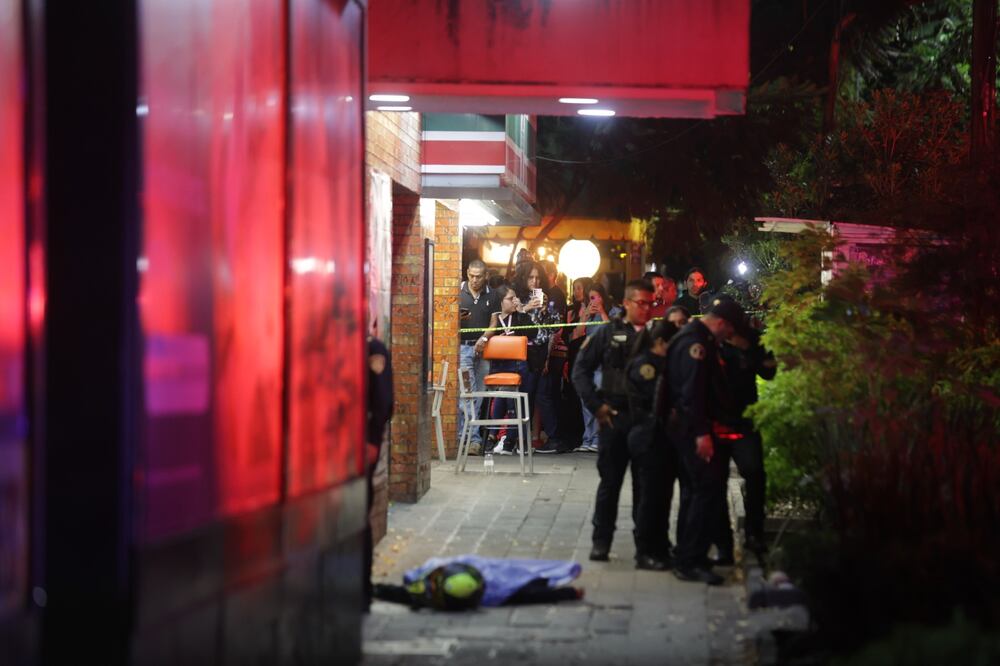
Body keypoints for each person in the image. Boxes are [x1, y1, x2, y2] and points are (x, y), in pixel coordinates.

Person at [572, 279, 668, 569]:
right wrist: (597, 407)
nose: (647, 309)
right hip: (614, 417)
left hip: (646, 421)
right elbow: (581, 371)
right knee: (610, 483)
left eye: (651, 304)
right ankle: (601, 542)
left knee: (646, 487)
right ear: (626, 303)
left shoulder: (658, 337)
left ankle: (645, 549)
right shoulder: (607, 333)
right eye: (641, 303)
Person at [662, 297, 743, 585]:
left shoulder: (699, 338)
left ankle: (691, 554)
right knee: (702, 494)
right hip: (693, 432)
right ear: (721, 323)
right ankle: (689, 559)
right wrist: (701, 434)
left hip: (691, 430)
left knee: (697, 494)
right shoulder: (696, 343)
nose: (728, 337)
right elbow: (692, 393)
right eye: (729, 331)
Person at [711, 296, 776, 560]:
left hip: (744, 420)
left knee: (755, 475)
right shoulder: (710, 340)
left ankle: (754, 534)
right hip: (715, 419)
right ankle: (722, 543)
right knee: (714, 484)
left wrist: (747, 349)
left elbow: (769, 371)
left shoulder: (753, 338)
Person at [624, 320, 681, 569]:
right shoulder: (645, 365)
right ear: (660, 343)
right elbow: (652, 401)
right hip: (647, 436)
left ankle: (660, 546)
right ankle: (645, 551)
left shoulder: (661, 363)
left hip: (662, 437)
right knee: (650, 497)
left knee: (663, 496)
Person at [511, 260, 564, 453]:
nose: (534, 281)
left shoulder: (545, 296)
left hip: (541, 350)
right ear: (523, 278)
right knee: (526, 395)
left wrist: (546, 311)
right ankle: (517, 440)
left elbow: (555, 326)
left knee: (543, 395)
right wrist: (525, 309)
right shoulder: (515, 297)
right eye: (531, 277)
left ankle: (554, 439)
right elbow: (511, 324)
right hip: (523, 352)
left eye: (537, 277)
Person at [571, 284, 620, 453]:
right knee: (586, 401)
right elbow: (577, 333)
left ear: (603, 297)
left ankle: (600, 438)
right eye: (589, 298)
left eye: (595, 297)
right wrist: (585, 315)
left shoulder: (614, 312)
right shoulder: (588, 313)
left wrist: (602, 312)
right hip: (589, 363)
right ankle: (588, 438)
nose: (592, 301)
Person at [364, 335, 394, 611]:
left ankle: (361, 589)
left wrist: (372, 441)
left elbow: (384, 403)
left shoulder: (373, 350)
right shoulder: (372, 349)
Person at [479, 285, 528, 453]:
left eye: (515, 297)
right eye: (510, 298)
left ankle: (507, 440)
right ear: (501, 302)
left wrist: (522, 311)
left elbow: (532, 333)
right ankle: (492, 436)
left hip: (515, 365)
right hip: (497, 365)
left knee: (509, 398)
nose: (514, 301)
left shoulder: (518, 316)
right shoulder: (494, 317)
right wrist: (489, 339)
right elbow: (489, 332)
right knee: (498, 398)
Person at [458, 259, 494, 455]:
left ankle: (465, 436)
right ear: (467, 273)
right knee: (467, 393)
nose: (474, 280)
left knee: (478, 394)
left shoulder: (492, 294)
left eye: (478, 276)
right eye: (471, 275)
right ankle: (472, 439)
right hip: (463, 348)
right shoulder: (458, 291)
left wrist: (484, 338)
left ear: (485, 276)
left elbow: (494, 322)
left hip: (483, 350)